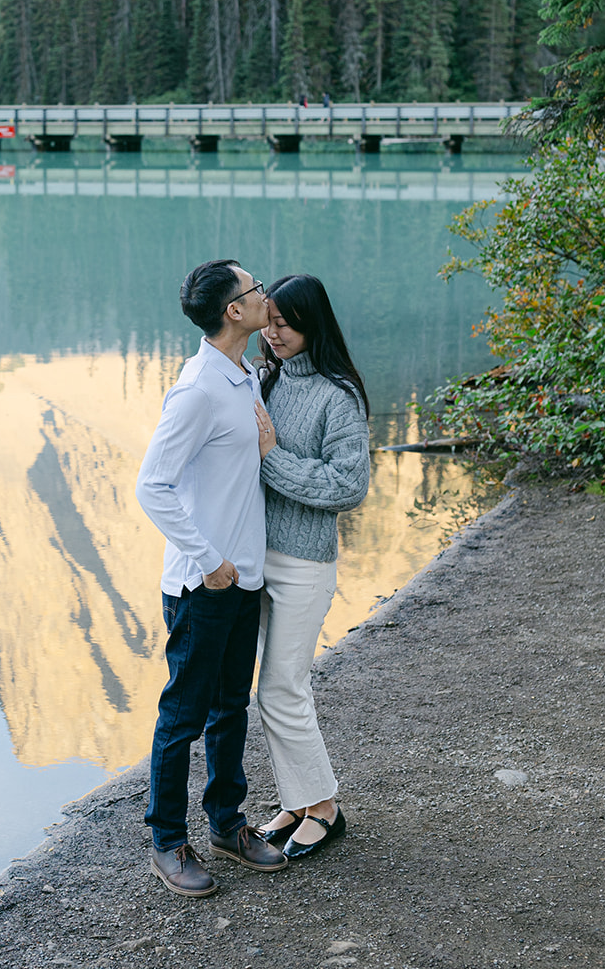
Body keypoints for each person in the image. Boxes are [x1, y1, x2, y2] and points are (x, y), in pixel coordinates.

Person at [135, 259, 287, 897]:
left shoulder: (243, 375)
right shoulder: (198, 389)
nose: (263, 295)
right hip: (206, 585)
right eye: (254, 289)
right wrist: (209, 561)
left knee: (231, 707)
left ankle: (226, 823)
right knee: (183, 716)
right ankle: (168, 843)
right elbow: (152, 486)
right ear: (233, 311)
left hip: (243, 576)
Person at [251, 273, 370, 861]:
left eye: (286, 323)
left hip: (303, 563)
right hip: (254, 557)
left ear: (312, 322)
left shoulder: (337, 394)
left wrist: (272, 457)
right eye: (267, 320)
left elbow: (348, 486)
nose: (273, 333)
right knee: (270, 689)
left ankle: (324, 807)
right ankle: (296, 801)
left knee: (281, 686)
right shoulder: (264, 381)